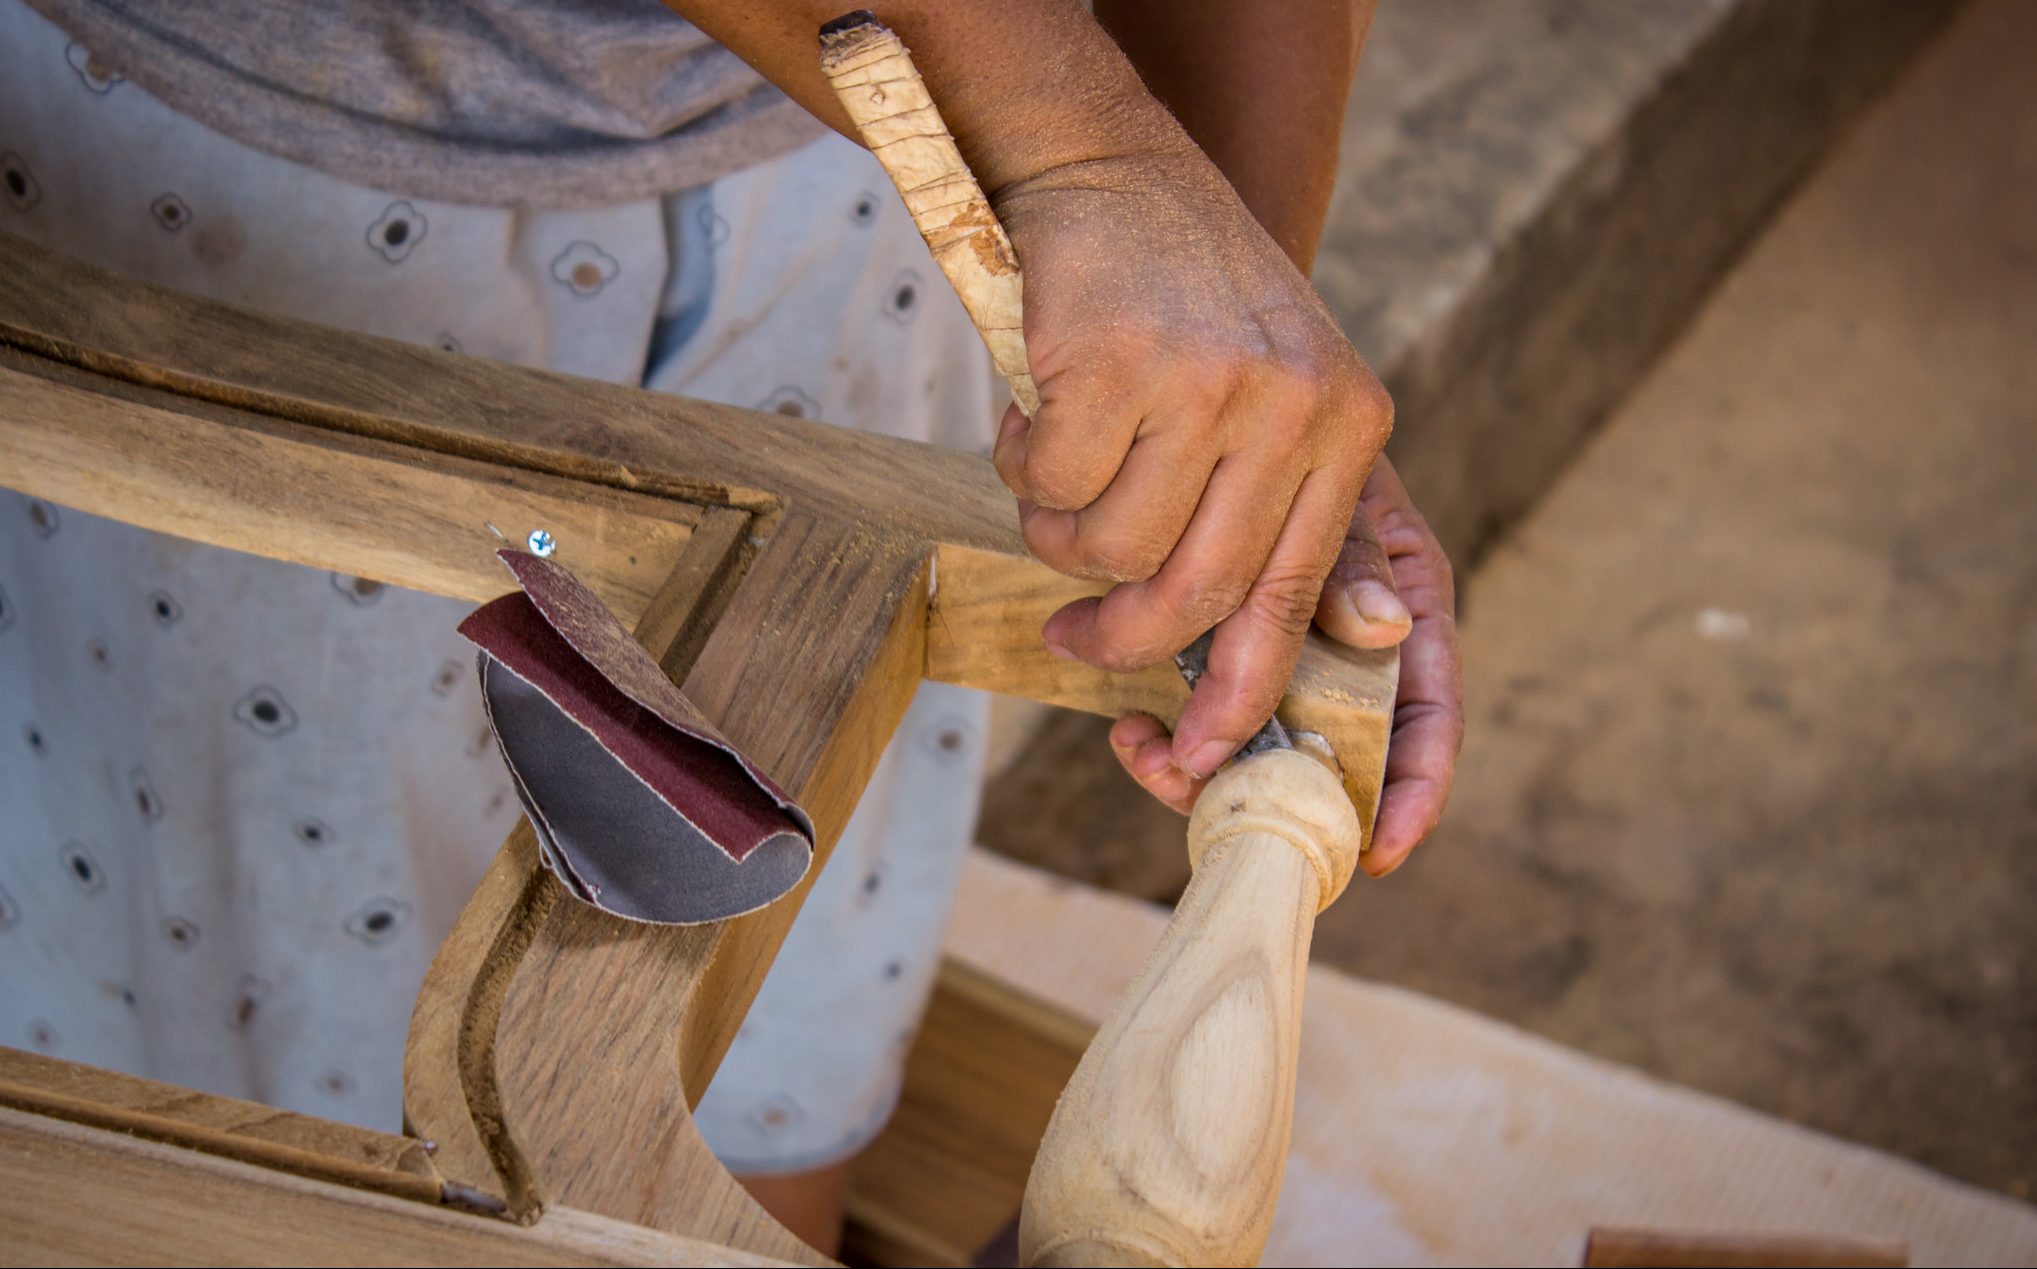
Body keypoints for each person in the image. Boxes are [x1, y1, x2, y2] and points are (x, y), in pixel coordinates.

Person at [0, 0, 1462, 1251]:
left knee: (778, 1020)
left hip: (869, 156)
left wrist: (1233, 353)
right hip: (266, 160)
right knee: (283, 1095)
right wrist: (1084, 158)